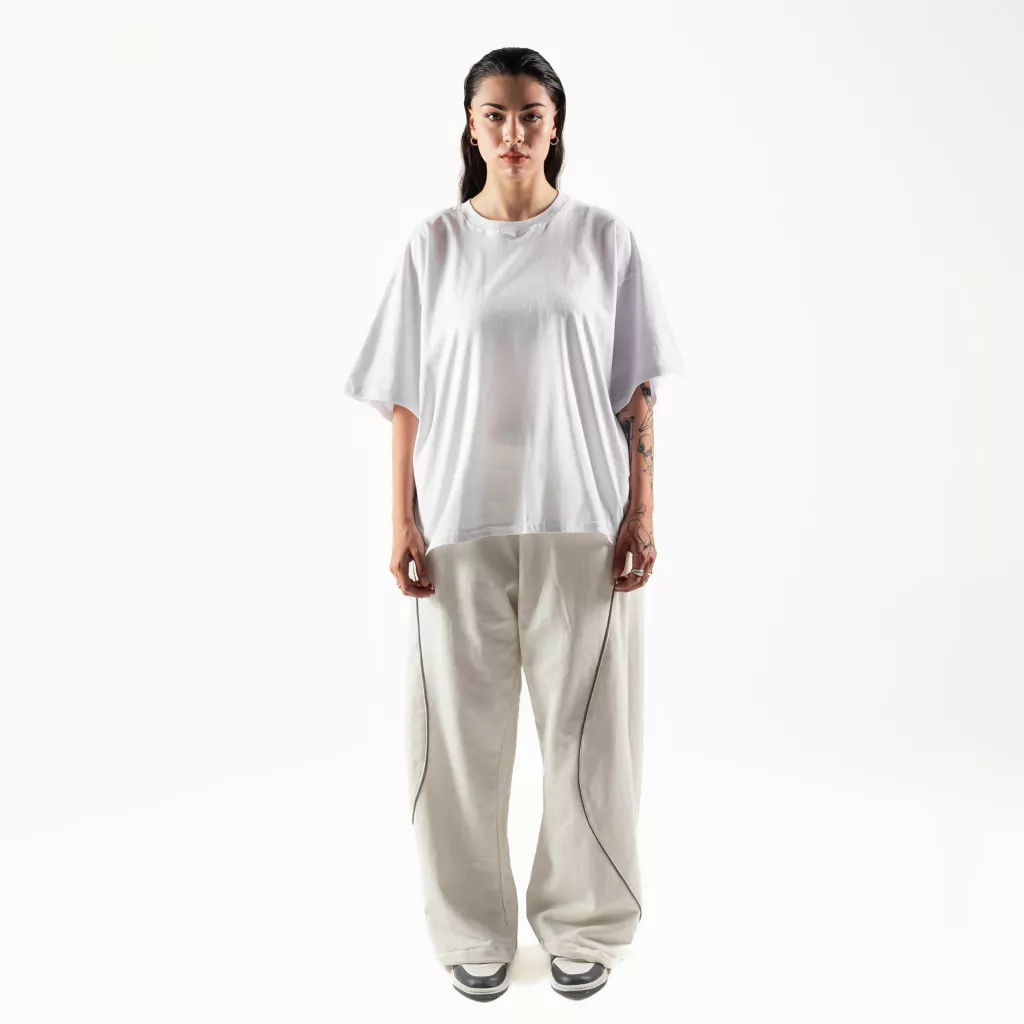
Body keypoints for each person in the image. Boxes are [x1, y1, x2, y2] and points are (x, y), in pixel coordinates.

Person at [343, 47, 686, 1002]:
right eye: (494, 115)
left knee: (590, 738)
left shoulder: (604, 241)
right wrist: (402, 519)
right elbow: (404, 395)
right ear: (470, 126)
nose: (513, 133)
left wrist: (642, 511)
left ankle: (587, 922)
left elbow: (637, 388)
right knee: (457, 738)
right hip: (459, 521)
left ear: (555, 124)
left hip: (582, 520)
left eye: (531, 114)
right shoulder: (434, 247)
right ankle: (470, 929)